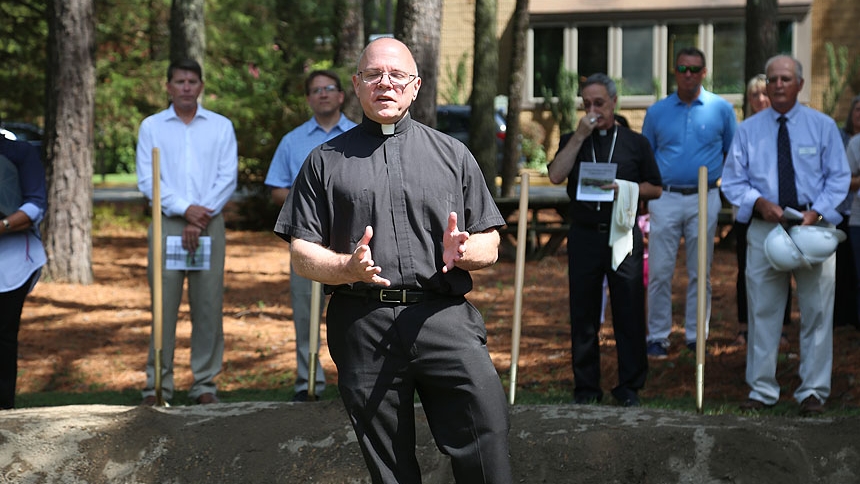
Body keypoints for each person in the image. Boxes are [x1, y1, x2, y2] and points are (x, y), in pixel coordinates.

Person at [274, 38, 513, 483]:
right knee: (390, 466)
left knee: (487, 434)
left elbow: (491, 242)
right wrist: (345, 269)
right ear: (357, 84)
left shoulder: (452, 154)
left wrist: (464, 251)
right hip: (363, 325)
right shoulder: (324, 161)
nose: (386, 83)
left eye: (397, 74)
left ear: (415, 85)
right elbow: (301, 253)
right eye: (374, 74)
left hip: (443, 317)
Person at [721, 54, 850, 415]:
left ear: (800, 85)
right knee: (763, 312)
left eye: (785, 79)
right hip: (765, 230)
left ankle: (813, 392)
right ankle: (761, 390)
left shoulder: (822, 127)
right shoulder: (748, 130)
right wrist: (758, 202)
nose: (777, 85)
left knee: (817, 312)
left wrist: (817, 211)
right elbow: (732, 181)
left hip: (815, 230)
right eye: (772, 79)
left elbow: (838, 177)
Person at [547, 73, 662, 407]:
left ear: (614, 102)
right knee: (582, 312)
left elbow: (655, 187)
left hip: (623, 233)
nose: (593, 110)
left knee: (628, 310)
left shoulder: (634, 142)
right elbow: (556, 175)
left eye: (599, 103)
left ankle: (629, 385)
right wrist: (579, 136)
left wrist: (626, 188)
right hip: (585, 234)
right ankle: (586, 387)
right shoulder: (574, 137)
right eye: (587, 104)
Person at [136, 59, 238, 406]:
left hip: (210, 222)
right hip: (167, 222)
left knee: (208, 304)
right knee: (163, 304)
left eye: (192, 81)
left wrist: (200, 215)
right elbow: (148, 179)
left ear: (201, 86)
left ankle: (204, 384)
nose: (185, 87)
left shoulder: (221, 127)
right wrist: (184, 209)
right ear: (168, 86)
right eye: (179, 81)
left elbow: (228, 177)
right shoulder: (152, 126)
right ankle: (157, 386)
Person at [265, 70, 357, 402]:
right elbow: (276, 189)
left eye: (329, 89)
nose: (323, 95)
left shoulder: (361, 136)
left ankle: (355, 381)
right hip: (308, 240)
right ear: (308, 99)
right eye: (316, 90)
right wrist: (305, 202)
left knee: (357, 313)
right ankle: (308, 382)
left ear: (342, 96)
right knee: (306, 313)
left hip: (352, 241)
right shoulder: (292, 141)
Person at [642, 47, 737, 358]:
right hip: (665, 196)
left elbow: (732, 155)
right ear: (675, 71)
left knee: (701, 271)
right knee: (659, 271)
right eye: (683, 68)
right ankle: (657, 336)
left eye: (695, 69)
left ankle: (697, 336)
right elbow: (647, 157)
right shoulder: (656, 111)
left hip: (704, 196)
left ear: (704, 73)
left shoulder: (721, 109)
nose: (688, 75)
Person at [732, 75, 792, 348]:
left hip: (783, 214)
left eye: (763, 94)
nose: (760, 100)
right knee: (747, 270)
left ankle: (781, 327)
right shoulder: (743, 131)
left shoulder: (788, 129)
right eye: (754, 95)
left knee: (784, 267)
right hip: (749, 214)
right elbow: (734, 176)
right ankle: (746, 326)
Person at [0, 126, 47, 410]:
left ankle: (4, 410)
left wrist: (5, 225)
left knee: (4, 336)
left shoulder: (20, 152)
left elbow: (35, 205)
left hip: (13, 261)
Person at [833, 96, 860, 329]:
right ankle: (843, 315)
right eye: (858, 110)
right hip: (843, 209)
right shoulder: (842, 139)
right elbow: (840, 177)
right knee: (844, 266)